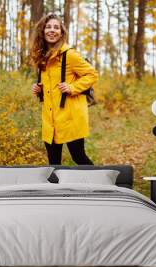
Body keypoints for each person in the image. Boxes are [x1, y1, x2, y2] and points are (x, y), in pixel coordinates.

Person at [29, 14, 98, 165]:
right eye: (48, 27)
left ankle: (99, 185)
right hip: (50, 119)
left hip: (70, 117)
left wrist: (72, 87)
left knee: (78, 157)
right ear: (42, 30)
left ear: (61, 32)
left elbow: (92, 74)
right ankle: (57, 189)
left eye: (56, 27)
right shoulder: (43, 57)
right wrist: (39, 90)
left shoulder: (70, 55)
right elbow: (50, 86)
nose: (52, 30)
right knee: (53, 163)